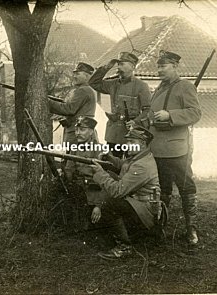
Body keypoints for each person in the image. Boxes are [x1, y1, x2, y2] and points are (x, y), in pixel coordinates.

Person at [149, 50, 202, 245]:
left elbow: (195, 113)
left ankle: (191, 229)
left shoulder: (185, 86)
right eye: (158, 66)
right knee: (162, 189)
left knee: (186, 187)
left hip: (178, 150)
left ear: (175, 66)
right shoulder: (158, 89)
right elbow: (152, 115)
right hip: (158, 148)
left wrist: (170, 115)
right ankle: (160, 227)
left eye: (163, 66)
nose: (159, 70)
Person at [89, 126, 164, 260]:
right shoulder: (140, 156)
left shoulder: (142, 166)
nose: (127, 146)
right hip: (141, 205)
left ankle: (124, 247)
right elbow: (124, 165)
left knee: (110, 202)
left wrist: (100, 173)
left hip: (146, 212)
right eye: (127, 142)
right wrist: (110, 158)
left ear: (142, 144)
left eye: (132, 143)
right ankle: (132, 236)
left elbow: (117, 191)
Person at [89, 52, 151, 158]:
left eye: (122, 64)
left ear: (132, 66)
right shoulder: (113, 84)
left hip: (131, 134)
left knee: (129, 165)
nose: (119, 67)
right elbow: (93, 82)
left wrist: (135, 121)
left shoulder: (141, 86)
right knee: (112, 164)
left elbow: (148, 110)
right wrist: (106, 67)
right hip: (114, 134)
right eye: (118, 64)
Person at [64, 116, 106, 223]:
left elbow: (107, 182)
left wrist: (99, 206)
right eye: (76, 130)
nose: (78, 133)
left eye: (82, 130)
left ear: (92, 132)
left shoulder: (101, 151)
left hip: (93, 196)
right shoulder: (75, 148)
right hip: (77, 191)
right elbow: (69, 170)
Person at [48, 62, 96, 145]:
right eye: (74, 74)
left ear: (86, 76)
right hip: (82, 131)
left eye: (77, 74)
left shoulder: (82, 90)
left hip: (76, 132)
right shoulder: (86, 89)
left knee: (72, 156)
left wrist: (48, 102)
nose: (74, 76)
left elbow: (69, 109)